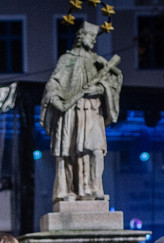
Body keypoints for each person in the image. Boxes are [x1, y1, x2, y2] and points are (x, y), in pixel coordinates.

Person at [40, 21, 122, 203]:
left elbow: (112, 82)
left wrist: (100, 89)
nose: (93, 41)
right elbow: (53, 84)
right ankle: (67, 191)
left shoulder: (97, 62)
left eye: (94, 38)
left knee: (95, 150)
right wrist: (56, 100)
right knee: (69, 152)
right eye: (90, 37)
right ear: (80, 37)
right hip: (71, 112)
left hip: (92, 111)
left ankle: (93, 189)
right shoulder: (66, 59)